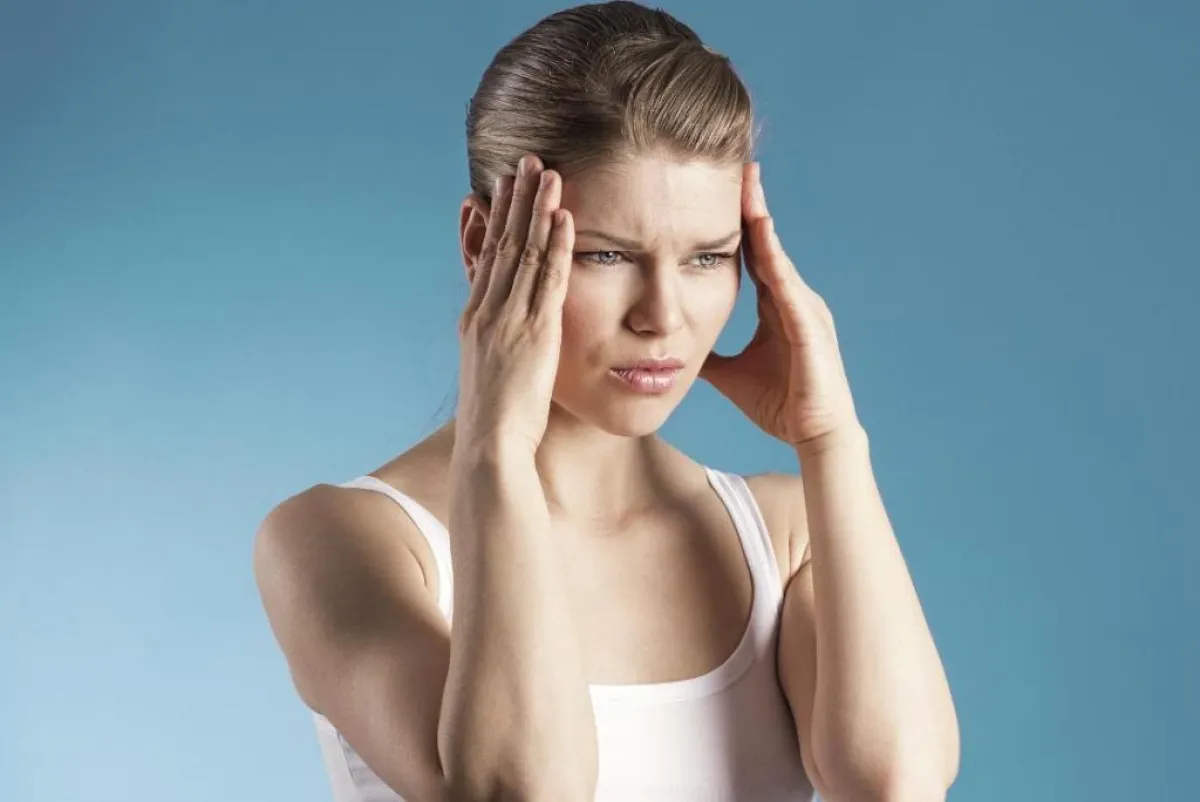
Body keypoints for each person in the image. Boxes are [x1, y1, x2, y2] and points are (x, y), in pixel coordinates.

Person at [253, 2, 960, 801]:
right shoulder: (343, 540)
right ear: (483, 245)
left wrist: (832, 441)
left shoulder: (784, 534)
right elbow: (521, 791)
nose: (662, 315)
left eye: (707, 258)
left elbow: (897, 784)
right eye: (607, 255)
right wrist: (494, 451)